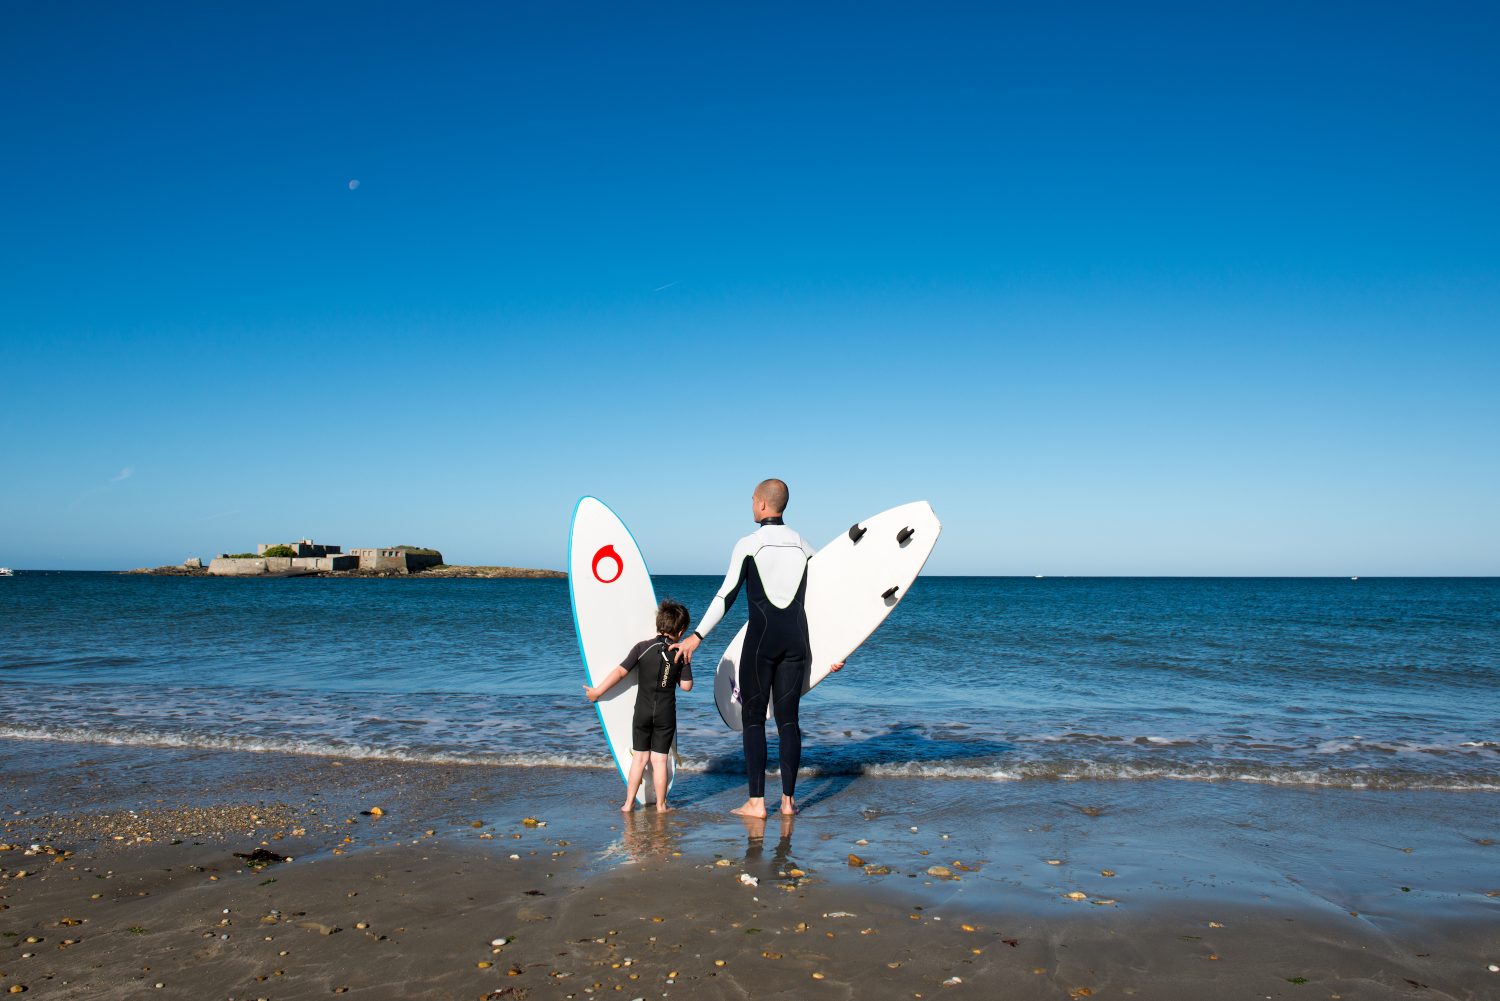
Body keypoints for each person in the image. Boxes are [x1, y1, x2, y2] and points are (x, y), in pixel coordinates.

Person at [671, 479, 842, 818]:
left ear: (763, 504)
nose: (751, 505)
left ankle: (757, 803)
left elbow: (727, 595)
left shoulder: (749, 544)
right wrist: (837, 649)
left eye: (752, 500)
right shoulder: (805, 546)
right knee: (789, 721)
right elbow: (824, 602)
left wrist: (697, 636)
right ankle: (790, 803)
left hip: (762, 642)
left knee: (753, 719)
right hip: (796, 641)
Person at [585, 599, 693, 812]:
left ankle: (628, 804)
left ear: (659, 624)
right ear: (681, 631)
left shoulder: (642, 648)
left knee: (640, 758)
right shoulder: (680, 654)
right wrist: (686, 659)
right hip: (665, 713)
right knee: (660, 761)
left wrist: (598, 692)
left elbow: (620, 672)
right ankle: (662, 806)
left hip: (642, 711)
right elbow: (687, 686)